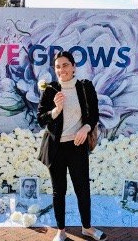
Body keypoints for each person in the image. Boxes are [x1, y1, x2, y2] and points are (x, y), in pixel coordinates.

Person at [38, 51, 106, 241]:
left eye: (65, 65)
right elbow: (40, 119)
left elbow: (94, 114)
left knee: (82, 189)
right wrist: (56, 110)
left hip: (77, 146)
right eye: (58, 66)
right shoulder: (50, 89)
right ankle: (61, 231)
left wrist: (85, 127)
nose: (62, 70)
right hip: (56, 148)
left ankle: (87, 228)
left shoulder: (85, 87)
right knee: (59, 191)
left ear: (74, 67)